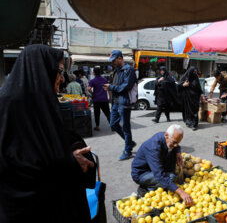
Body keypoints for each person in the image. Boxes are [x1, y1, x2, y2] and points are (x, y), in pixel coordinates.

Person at [0, 44, 96, 223]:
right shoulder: (9, 106)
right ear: (41, 70)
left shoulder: (43, 103)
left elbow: (54, 142)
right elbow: (13, 164)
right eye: (58, 71)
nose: (61, 79)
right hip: (28, 210)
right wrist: (66, 162)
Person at [131, 125, 194, 206]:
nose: (176, 145)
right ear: (166, 135)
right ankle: (146, 189)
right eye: (174, 142)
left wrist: (178, 152)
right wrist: (181, 192)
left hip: (153, 167)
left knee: (172, 166)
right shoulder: (153, 148)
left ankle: (160, 185)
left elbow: (176, 145)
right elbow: (160, 175)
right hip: (142, 173)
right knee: (170, 178)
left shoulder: (166, 137)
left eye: (178, 143)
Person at [103, 50, 137, 160]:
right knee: (113, 124)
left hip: (124, 102)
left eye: (113, 61)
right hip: (116, 102)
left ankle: (128, 150)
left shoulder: (129, 70)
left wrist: (111, 87)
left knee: (126, 127)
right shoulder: (116, 71)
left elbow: (125, 87)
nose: (112, 63)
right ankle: (130, 142)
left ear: (120, 58)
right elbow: (116, 85)